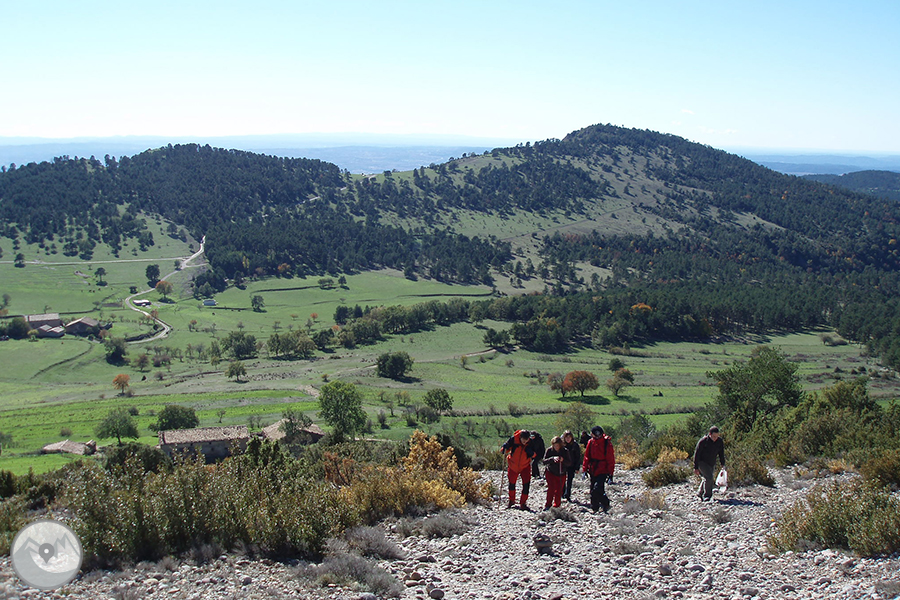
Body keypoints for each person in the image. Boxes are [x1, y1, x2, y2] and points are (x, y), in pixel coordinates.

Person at [582, 425, 615, 513]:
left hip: (603, 470)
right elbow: (587, 457)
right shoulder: (591, 442)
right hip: (593, 469)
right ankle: (595, 507)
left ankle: (605, 503)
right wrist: (584, 469)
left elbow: (610, 459)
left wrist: (610, 473)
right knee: (593, 489)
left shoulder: (606, 443)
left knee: (597, 489)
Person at [501, 429, 536, 509]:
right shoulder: (513, 440)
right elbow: (505, 450)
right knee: (511, 484)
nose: (525, 442)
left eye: (526, 440)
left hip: (525, 466)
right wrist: (504, 448)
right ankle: (511, 501)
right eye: (523, 440)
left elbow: (536, 454)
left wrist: (531, 453)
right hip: (513, 465)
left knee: (526, 484)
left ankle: (523, 503)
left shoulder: (531, 443)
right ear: (520, 437)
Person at [693, 426, 725, 502]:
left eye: (717, 436)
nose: (715, 438)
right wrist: (696, 467)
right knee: (709, 477)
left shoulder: (719, 441)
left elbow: (721, 453)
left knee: (707, 478)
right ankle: (707, 496)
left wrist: (722, 463)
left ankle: (700, 492)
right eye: (714, 436)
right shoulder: (703, 441)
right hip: (702, 462)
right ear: (710, 434)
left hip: (712, 463)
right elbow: (697, 454)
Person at [542, 435, 571, 509]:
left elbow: (569, 463)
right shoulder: (549, 450)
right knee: (551, 489)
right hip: (550, 472)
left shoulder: (565, 451)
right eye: (554, 445)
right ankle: (548, 504)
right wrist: (552, 459)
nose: (556, 447)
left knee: (559, 490)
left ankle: (557, 505)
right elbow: (544, 461)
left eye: (557, 445)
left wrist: (563, 460)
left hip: (561, 473)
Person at [561, 430, 581, 502]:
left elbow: (578, 457)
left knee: (569, 480)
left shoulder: (575, 445)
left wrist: (577, 467)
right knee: (562, 480)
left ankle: (567, 494)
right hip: (563, 465)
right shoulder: (562, 445)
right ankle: (562, 493)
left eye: (569, 437)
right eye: (566, 437)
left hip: (572, 465)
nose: (568, 439)